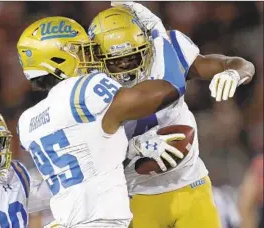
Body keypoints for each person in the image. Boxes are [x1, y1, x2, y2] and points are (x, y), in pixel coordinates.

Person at [89, 2, 255, 228]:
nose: (126, 67)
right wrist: (132, 148)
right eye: (116, 61)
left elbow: (238, 64)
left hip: (190, 183)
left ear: (147, 46)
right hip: (135, 193)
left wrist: (234, 73)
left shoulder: (167, 51)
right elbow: (88, 152)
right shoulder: (87, 88)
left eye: (133, 57)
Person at [16, 16, 187, 228]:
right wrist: (162, 40)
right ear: (57, 60)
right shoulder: (84, 90)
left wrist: (135, 147)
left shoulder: (27, 121)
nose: (90, 56)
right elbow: (168, 90)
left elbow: (87, 155)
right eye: (80, 50)